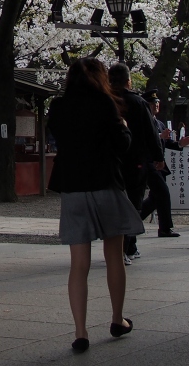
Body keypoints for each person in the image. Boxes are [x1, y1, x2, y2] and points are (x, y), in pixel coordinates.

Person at [48, 58, 144, 353]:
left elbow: (57, 140)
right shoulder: (106, 103)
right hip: (106, 185)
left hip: (74, 190)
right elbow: (122, 144)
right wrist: (124, 126)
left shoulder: (58, 107)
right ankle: (117, 319)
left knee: (79, 265)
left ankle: (80, 333)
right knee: (114, 255)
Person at [108, 63, 163, 262]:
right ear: (128, 80)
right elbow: (151, 133)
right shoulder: (138, 102)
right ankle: (127, 246)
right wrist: (158, 157)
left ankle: (118, 247)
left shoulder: (104, 101)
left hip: (110, 161)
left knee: (114, 204)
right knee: (133, 203)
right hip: (135, 160)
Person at [140, 89, 189, 238]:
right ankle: (165, 228)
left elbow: (166, 143)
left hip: (159, 165)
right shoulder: (142, 122)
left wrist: (180, 144)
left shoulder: (159, 123)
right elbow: (145, 141)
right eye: (153, 103)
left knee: (155, 198)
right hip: (148, 163)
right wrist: (160, 136)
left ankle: (132, 221)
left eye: (157, 102)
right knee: (163, 193)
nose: (156, 105)